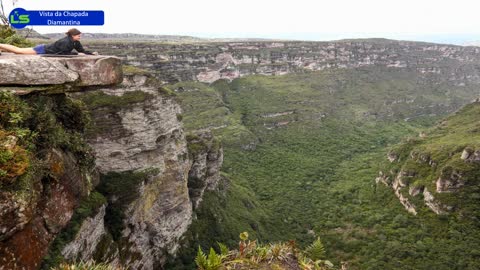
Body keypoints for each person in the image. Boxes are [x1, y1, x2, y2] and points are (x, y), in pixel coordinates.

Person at [0, 28, 98, 55]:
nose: (80, 37)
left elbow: (81, 50)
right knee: (19, 51)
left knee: (19, 51)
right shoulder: (66, 42)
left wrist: (91, 53)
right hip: (42, 49)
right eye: (78, 35)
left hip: (45, 49)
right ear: (73, 35)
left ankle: (2, 48)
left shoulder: (75, 42)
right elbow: (63, 53)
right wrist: (77, 55)